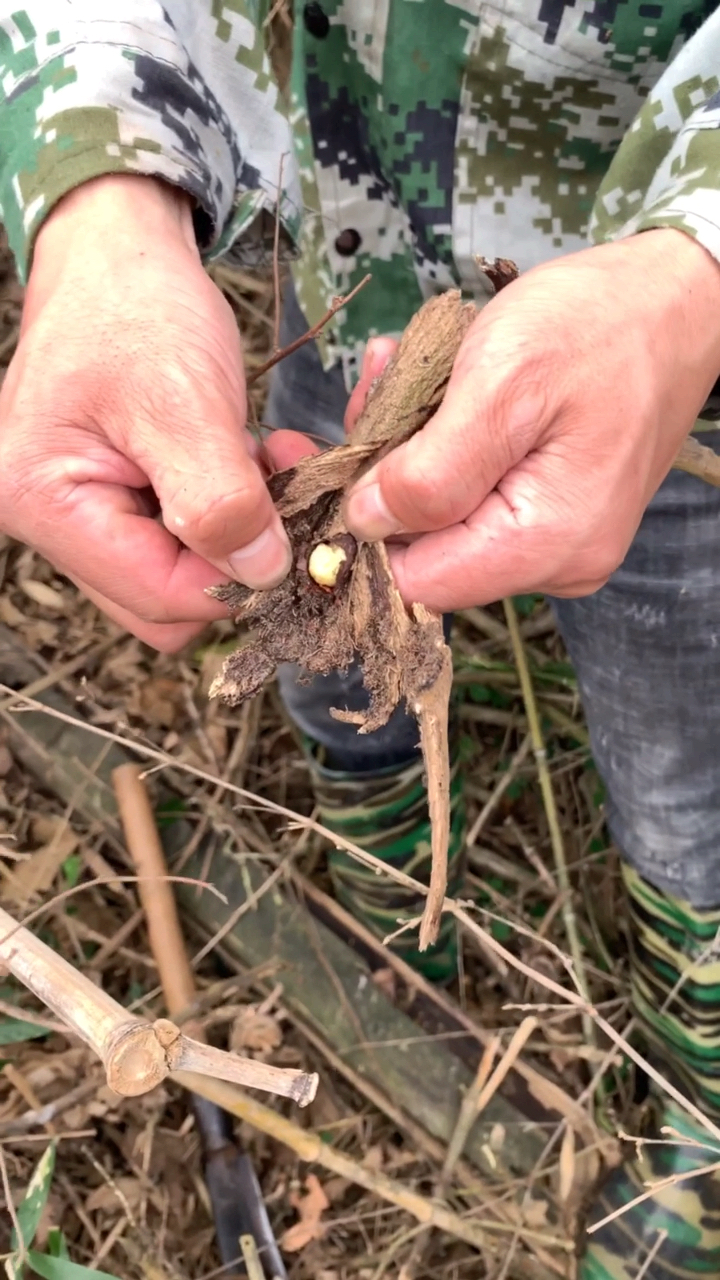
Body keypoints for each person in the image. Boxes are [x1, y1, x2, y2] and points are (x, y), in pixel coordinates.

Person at [2, 2, 720, 1273]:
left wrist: (692, 269)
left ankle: (700, 1048)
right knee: (318, 625)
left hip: (678, 363)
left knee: (684, 733)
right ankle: (393, 867)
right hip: (354, 277)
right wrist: (102, 202)